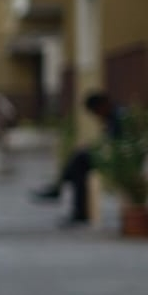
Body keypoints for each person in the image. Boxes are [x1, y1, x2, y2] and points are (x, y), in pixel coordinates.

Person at [33, 91, 122, 225]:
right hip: (113, 156)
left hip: (119, 159)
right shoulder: (113, 114)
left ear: (101, 106)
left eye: (95, 112)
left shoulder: (118, 116)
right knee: (78, 164)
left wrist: (93, 148)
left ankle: (60, 191)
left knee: (79, 161)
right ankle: (62, 193)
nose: (96, 116)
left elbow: (114, 144)